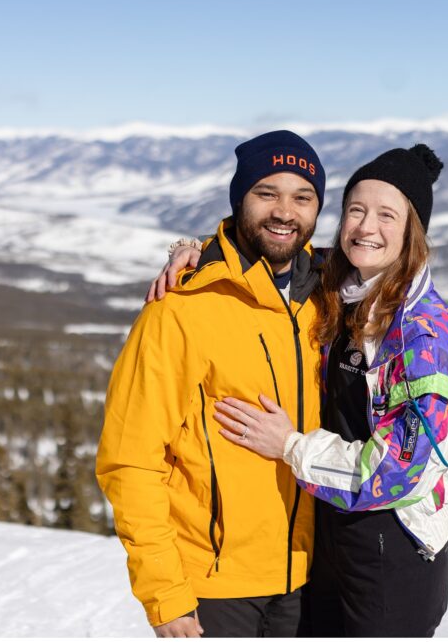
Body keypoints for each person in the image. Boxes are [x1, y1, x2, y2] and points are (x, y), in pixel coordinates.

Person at [164, 145, 448, 636]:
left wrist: (289, 446)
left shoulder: (423, 338)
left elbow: (395, 474)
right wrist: (198, 248)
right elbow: (271, 247)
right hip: (332, 541)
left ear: (413, 234)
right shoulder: (343, 282)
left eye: (388, 215)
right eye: (356, 210)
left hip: (393, 558)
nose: (367, 227)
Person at [96, 130, 328, 638]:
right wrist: (166, 595)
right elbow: (129, 459)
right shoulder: (181, 309)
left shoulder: (326, 297)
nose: (284, 211)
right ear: (239, 199)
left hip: (309, 578)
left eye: (302, 196)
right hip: (214, 590)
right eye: (266, 193)